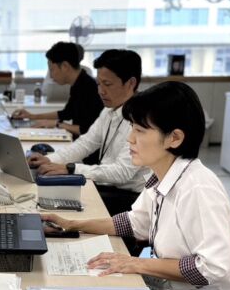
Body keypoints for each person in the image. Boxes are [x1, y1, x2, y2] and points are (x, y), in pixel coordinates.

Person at [41, 81, 230, 290]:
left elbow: (211, 267)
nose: (130, 139)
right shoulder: (163, 177)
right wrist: (70, 224)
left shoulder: (197, 188)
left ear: (175, 138)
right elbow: (132, 223)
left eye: (140, 130)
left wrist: (137, 264)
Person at [29, 49, 147, 215]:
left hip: (129, 200)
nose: (101, 91)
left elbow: (122, 173)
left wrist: (70, 169)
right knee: (43, 195)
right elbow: (85, 143)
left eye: (107, 84)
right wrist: (48, 160)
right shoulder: (109, 111)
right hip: (108, 188)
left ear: (130, 83)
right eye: (99, 84)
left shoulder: (142, 119)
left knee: (55, 205)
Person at [11, 42, 102, 138]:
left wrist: (56, 124)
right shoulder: (78, 83)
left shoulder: (88, 88)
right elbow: (66, 113)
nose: (50, 75)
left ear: (65, 66)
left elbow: (87, 130)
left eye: (52, 69)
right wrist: (32, 116)